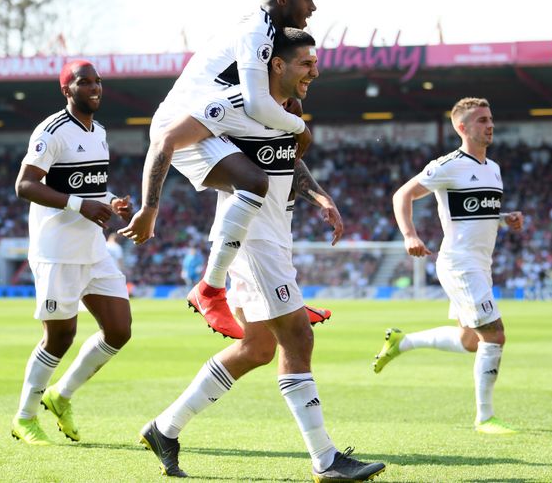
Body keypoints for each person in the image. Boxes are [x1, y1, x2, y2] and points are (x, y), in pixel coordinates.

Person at [138, 29, 385, 482]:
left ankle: (164, 428)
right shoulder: (233, 105)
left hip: (273, 236)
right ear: (275, 65)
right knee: (298, 340)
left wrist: (318, 196)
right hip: (254, 242)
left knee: (256, 348)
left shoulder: (284, 111)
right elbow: (167, 141)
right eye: (306, 63)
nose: (315, 71)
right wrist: (149, 207)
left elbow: (286, 158)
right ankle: (326, 459)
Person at [119, 0, 320, 339]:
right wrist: (298, 126)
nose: (313, 6)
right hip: (188, 125)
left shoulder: (266, 30)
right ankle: (211, 290)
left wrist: (291, 114)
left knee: (271, 185)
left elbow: (262, 99)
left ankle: (281, 296)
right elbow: (257, 103)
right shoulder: (257, 31)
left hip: (221, 121)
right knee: (254, 182)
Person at [373, 97, 525, 435]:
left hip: (480, 265)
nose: (490, 125)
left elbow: (475, 214)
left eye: (490, 118)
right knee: (494, 335)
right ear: (462, 127)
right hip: (460, 264)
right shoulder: (448, 165)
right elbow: (403, 195)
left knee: (470, 341)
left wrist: (505, 218)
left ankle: (403, 341)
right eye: (482, 120)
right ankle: (485, 418)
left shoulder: (493, 168)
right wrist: (409, 235)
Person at [11, 59, 135, 446]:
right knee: (60, 337)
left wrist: (111, 202)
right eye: (84, 82)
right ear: (67, 90)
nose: (94, 87)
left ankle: (60, 395)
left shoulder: (98, 131)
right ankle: (25, 417)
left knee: (119, 329)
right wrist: (80, 206)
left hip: (93, 249)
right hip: (56, 251)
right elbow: (25, 185)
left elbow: (90, 185)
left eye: (98, 81)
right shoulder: (51, 131)